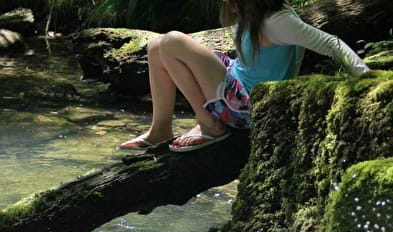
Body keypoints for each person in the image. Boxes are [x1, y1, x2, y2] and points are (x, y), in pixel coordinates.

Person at [120, 0, 370, 152]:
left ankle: (209, 125)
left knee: (174, 40)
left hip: (248, 106)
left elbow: (332, 44)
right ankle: (160, 130)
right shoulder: (250, 10)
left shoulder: (277, 21)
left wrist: (368, 79)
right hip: (235, 81)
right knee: (156, 47)